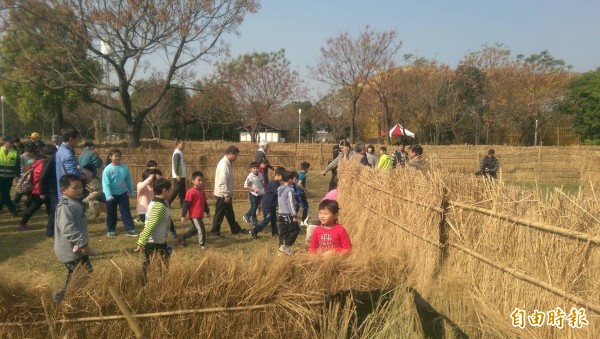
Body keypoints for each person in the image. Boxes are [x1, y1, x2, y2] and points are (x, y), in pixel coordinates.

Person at [52, 174, 96, 303]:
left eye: (81, 187)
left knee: (79, 276)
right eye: (75, 188)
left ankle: (70, 298)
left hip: (76, 250)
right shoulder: (65, 206)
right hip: (71, 251)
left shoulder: (73, 203)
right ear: (63, 190)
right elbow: (68, 229)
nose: (79, 190)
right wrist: (83, 244)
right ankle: (60, 299)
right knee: (80, 277)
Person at [134, 178, 173, 282]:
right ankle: (142, 284)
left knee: (156, 265)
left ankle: (152, 284)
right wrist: (141, 241)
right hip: (155, 243)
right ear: (164, 190)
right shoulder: (159, 207)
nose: (171, 192)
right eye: (170, 190)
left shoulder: (158, 203)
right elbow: (150, 226)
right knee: (154, 267)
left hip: (159, 241)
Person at [17, 145, 56, 230]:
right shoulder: (46, 163)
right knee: (49, 208)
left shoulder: (38, 163)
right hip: (44, 189)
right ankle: (52, 226)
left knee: (34, 207)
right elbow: (43, 178)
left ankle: (23, 223)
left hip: (37, 189)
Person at [209, 146, 244, 236]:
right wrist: (226, 195)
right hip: (222, 194)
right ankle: (214, 232)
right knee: (219, 214)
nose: (236, 157)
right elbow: (222, 181)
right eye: (236, 155)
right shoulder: (223, 164)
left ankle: (235, 229)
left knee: (229, 213)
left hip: (225, 193)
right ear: (231, 154)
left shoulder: (227, 164)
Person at [102, 148, 137, 237]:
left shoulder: (124, 167)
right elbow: (105, 184)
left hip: (123, 194)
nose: (118, 158)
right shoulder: (107, 169)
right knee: (111, 213)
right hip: (111, 195)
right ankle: (111, 230)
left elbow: (128, 180)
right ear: (110, 157)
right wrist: (108, 195)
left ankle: (130, 229)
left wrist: (132, 191)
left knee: (126, 211)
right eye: (115, 156)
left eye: (119, 156)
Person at [250, 167, 285, 239]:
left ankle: (275, 233)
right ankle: (254, 231)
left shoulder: (277, 183)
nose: (283, 177)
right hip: (268, 205)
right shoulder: (273, 183)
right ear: (277, 175)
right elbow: (279, 192)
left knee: (273, 219)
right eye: (282, 175)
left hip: (272, 205)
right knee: (267, 219)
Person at [179, 171, 210, 249]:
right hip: (194, 215)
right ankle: (202, 244)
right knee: (201, 228)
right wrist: (183, 215)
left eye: (202, 180)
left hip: (200, 214)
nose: (201, 182)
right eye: (199, 180)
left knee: (195, 229)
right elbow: (186, 204)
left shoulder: (202, 191)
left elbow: (204, 202)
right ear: (193, 181)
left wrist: (207, 211)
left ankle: (183, 237)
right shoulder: (190, 192)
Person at [55, 129, 87, 200]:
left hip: (63, 189)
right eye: (77, 139)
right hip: (70, 191)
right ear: (71, 139)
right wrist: (85, 176)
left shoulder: (60, 150)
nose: (78, 142)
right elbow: (73, 173)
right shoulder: (67, 153)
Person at [277, 170, 300, 255]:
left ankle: (280, 249)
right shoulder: (289, 190)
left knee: (283, 231)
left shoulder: (279, 188)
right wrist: (294, 215)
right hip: (288, 214)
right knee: (295, 229)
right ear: (290, 179)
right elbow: (291, 204)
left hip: (280, 214)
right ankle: (285, 247)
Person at [0, 136, 20, 217]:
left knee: (4, 194)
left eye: (13, 142)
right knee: (4, 194)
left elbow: (17, 165)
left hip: (9, 177)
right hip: (0, 176)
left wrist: (17, 176)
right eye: (10, 142)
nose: (12, 144)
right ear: (5, 142)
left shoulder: (15, 152)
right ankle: (13, 210)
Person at [242, 161, 264, 226]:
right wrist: (253, 189)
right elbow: (246, 186)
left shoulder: (260, 174)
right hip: (253, 194)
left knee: (255, 207)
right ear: (251, 169)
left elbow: (262, 182)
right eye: (254, 168)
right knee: (254, 207)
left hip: (259, 193)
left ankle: (251, 219)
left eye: (257, 168)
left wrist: (263, 189)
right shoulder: (250, 177)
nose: (255, 169)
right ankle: (250, 218)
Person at [169, 139, 187, 208]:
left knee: (182, 192)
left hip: (181, 175)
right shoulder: (177, 153)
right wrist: (177, 174)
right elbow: (175, 164)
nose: (184, 146)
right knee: (175, 191)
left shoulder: (179, 152)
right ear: (178, 144)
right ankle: (168, 202)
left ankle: (183, 204)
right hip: (179, 176)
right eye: (182, 144)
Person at [296, 161, 310, 226]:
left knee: (297, 206)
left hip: (296, 193)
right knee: (306, 207)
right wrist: (305, 189)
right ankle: (303, 221)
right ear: (306, 169)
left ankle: (292, 219)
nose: (308, 170)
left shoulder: (299, 174)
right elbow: (299, 183)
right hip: (300, 193)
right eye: (308, 168)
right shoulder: (303, 176)